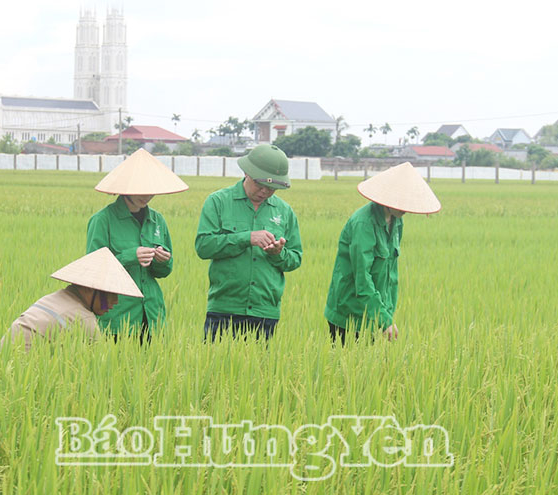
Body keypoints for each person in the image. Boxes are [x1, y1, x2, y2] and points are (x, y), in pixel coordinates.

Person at [324, 162, 441, 345]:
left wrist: (386, 313)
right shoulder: (363, 224)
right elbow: (362, 278)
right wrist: (384, 320)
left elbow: (390, 275)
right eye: (401, 201)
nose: (404, 208)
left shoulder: (396, 221)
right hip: (350, 314)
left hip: (376, 313)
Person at [194, 144, 302, 340]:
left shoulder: (284, 211)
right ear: (246, 173)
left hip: (265, 312)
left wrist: (279, 254)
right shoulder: (218, 201)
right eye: (260, 184)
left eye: (272, 188)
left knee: (260, 370)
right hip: (224, 309)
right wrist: (247, 238)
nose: (265, 191)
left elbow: (295, 258)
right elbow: (203, 246)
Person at [86, 148, 188, 342]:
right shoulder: (103, 220)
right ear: (126, 187)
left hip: (152, 316)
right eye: (141, 189)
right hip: (117, 317)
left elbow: (164, 272)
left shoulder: (157, 220)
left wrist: (162, 260)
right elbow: (93, 270)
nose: (147, 195)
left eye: (151, 189)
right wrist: (131, 256)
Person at [6, 247, 143, 349]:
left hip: (5, 357)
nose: (115, 302)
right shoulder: (83, 319)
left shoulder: (52, 298)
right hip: (23, 367)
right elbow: (96, 369)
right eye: (110, 294)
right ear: (89, 288)